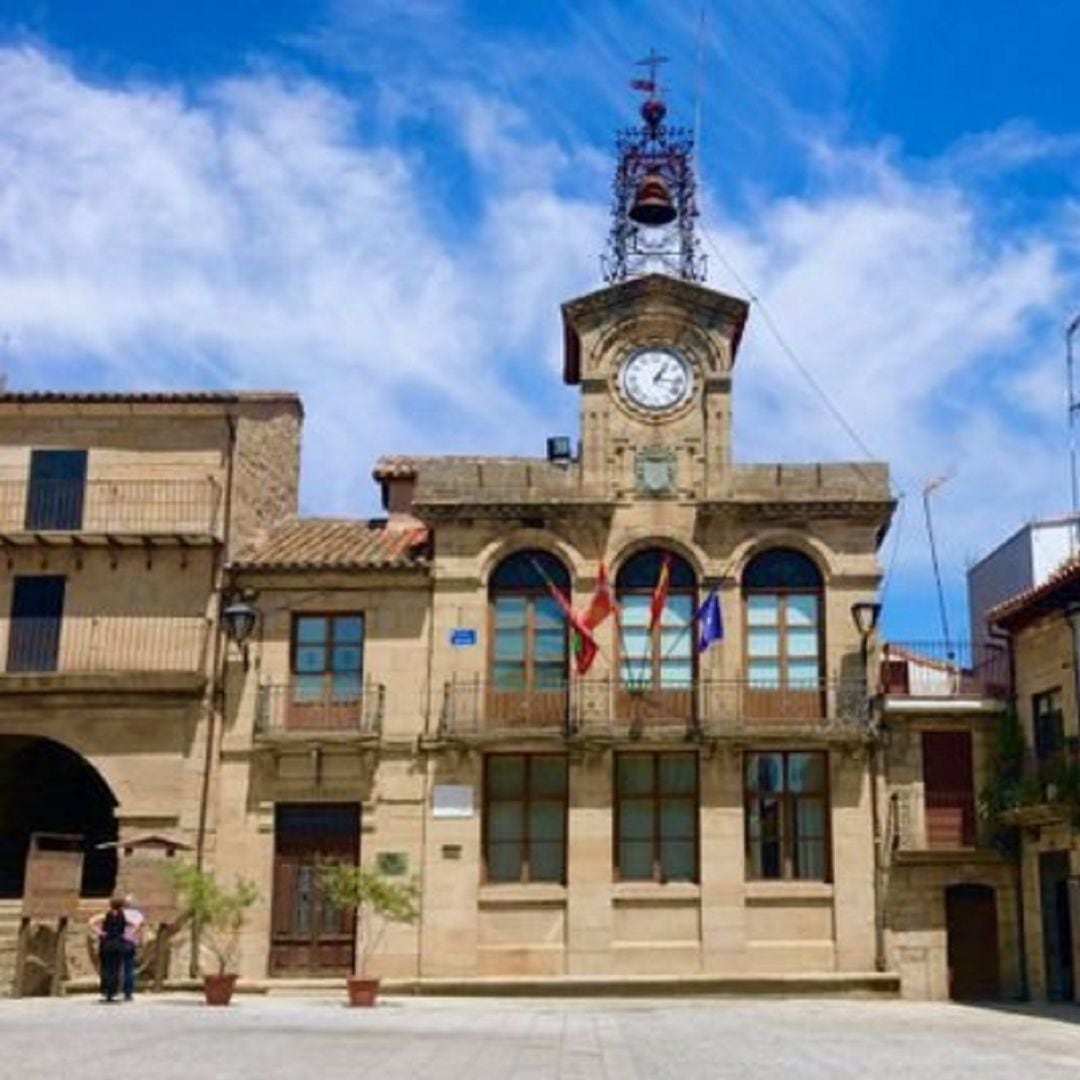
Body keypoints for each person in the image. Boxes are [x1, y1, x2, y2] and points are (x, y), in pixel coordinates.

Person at [89, 897, 127, 1002]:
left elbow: (91, 922)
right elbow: (136, 923)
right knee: (115, 968)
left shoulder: (105, 915)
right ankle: (113, 991)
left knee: (105, 967)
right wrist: (127, 934)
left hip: (106, 942)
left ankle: (106, 991)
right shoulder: (123, 916)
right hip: (118, 943)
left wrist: (100, 933)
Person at [121, 895, 145, 1002]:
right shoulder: (138, 915)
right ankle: (128, 993)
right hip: (131, 942)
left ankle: (116, 989)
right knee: (129, 968)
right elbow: (140, 929)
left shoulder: (121, 913)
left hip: (120, 941)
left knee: (117, 966)